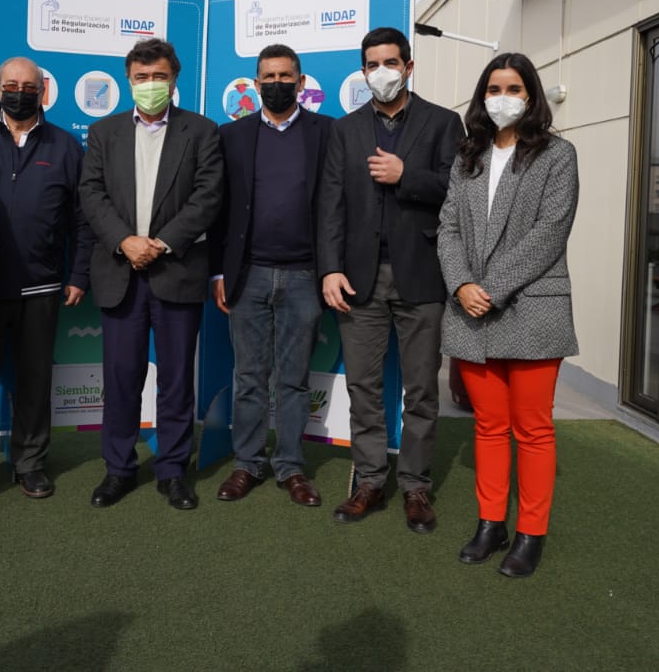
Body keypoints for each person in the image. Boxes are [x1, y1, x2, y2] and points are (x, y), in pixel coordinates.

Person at [437, 52, 578, 578]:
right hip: (471, 308)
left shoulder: (557, 156)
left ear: (531, 95)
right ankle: (490, 523)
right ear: (482, 96)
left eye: (513, 87)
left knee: (533, 429)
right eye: (494, 88)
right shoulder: (466, 156)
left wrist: (488, 288)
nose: (503, 97)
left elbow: (549, 232)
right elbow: (448, 226)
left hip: (531, 307)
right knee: (490, 428)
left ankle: (529, 533)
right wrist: (461, 284)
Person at [317, 27, 463, 529]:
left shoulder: (445, 123)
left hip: (422, 276)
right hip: (360, 279)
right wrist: (330, 268)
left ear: (409, 66)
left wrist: (409, 177)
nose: (382, 72)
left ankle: (417, 488)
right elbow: (330, 205)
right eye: (372, 64)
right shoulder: (345, 130)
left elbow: (459, 192)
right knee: (364, 386)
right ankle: (371, 482)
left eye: (390, 62)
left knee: (422, 389)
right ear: (363, 71)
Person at [79, 37, 223, 510]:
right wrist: (126, 242)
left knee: (177, 379)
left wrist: (159, 243)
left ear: (174, 79)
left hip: (176, 270)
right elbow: (92, 195)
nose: (150, 85)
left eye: (159, 76)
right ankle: (118, 469)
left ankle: (172, 470)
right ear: (129, 81)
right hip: (120, 272)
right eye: (141, 78)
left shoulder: (201, 132)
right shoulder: (103, 134)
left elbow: (207, 197)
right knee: (121, 377)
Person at [0, 56, 93, 500]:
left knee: (34, 382)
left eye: (28, 86)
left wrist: (78, 274)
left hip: (42, 287)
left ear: (42, 90)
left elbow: (82, 221)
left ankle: (30, 462)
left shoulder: (66, 147)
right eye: (11, 84)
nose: (19, 92)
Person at [210, 43, 332, 507]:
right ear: (255, 83)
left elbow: (335, 207)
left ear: (301, 84)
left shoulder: (327, 132)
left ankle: (290, 467)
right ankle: (247, 464)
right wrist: (218, 272)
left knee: (295, 379)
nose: (277, 84)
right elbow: (219, 211)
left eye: (286, 76)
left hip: (305, 275)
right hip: (249, 275)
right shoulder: (232, 135)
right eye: (269, 77)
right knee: (249, 376)